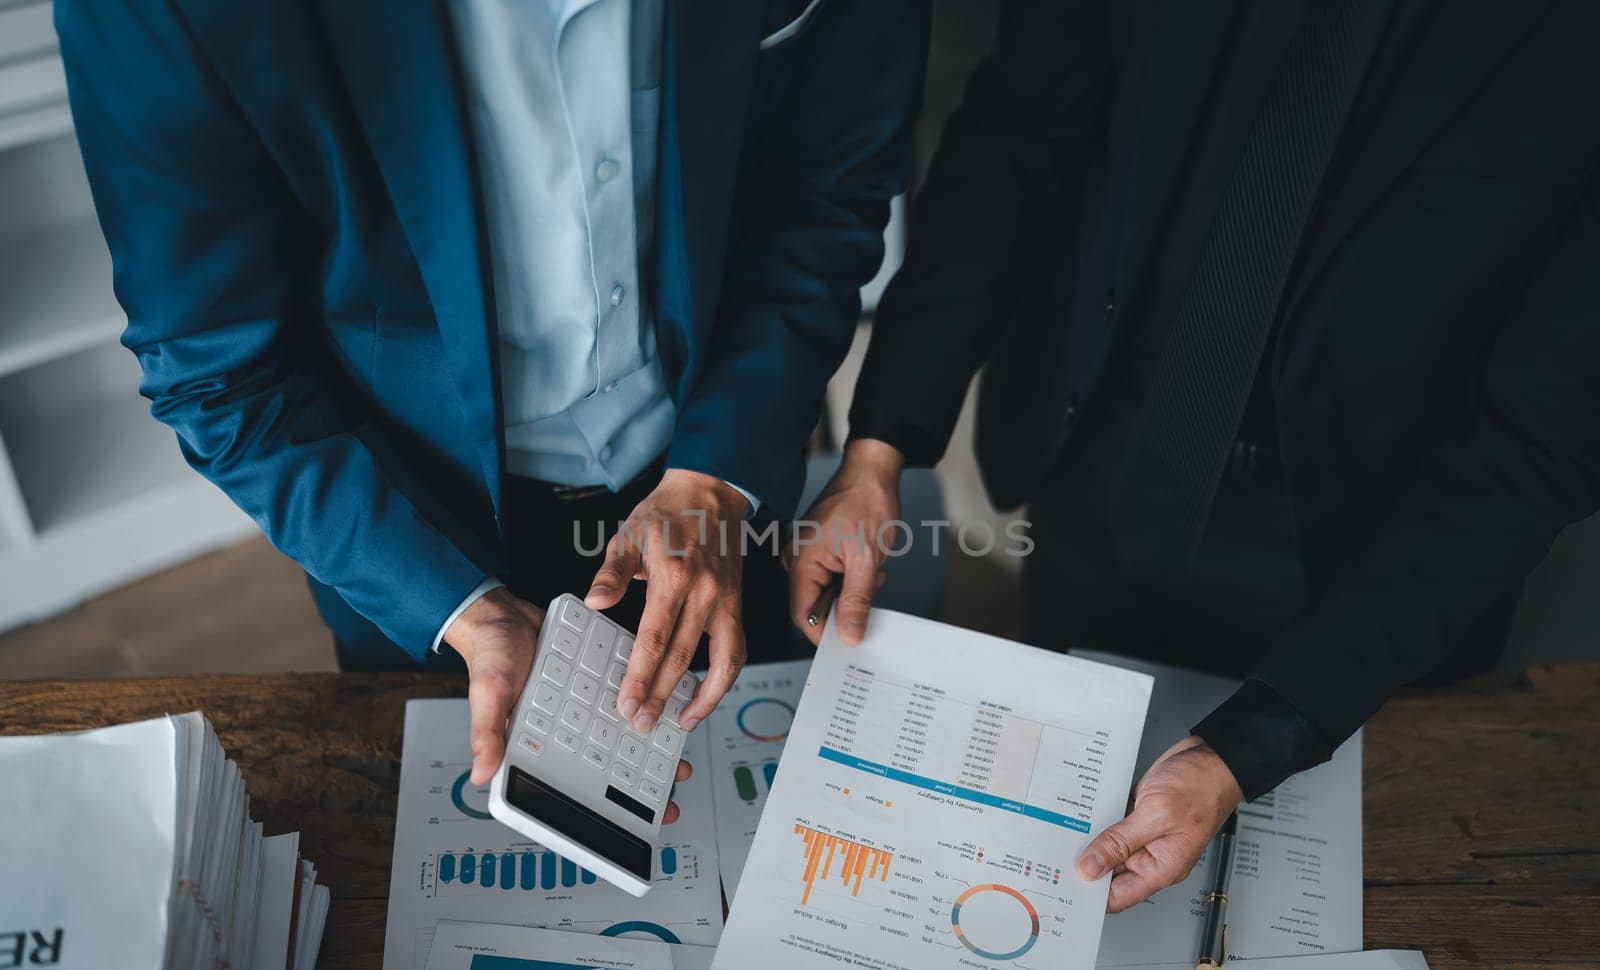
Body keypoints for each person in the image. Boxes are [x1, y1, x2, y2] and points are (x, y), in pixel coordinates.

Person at [789, 0, 1600, 911]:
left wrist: (1254, 741)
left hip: (1381, 568)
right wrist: (877, 451)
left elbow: (1539, 438)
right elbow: (1016, 139)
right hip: (1097, 471)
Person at [57, 0, 930, 800]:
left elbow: (825, 192)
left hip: (723, 478)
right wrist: (453, 605)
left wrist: (721, 471)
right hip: (420, 533)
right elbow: (221, 375)